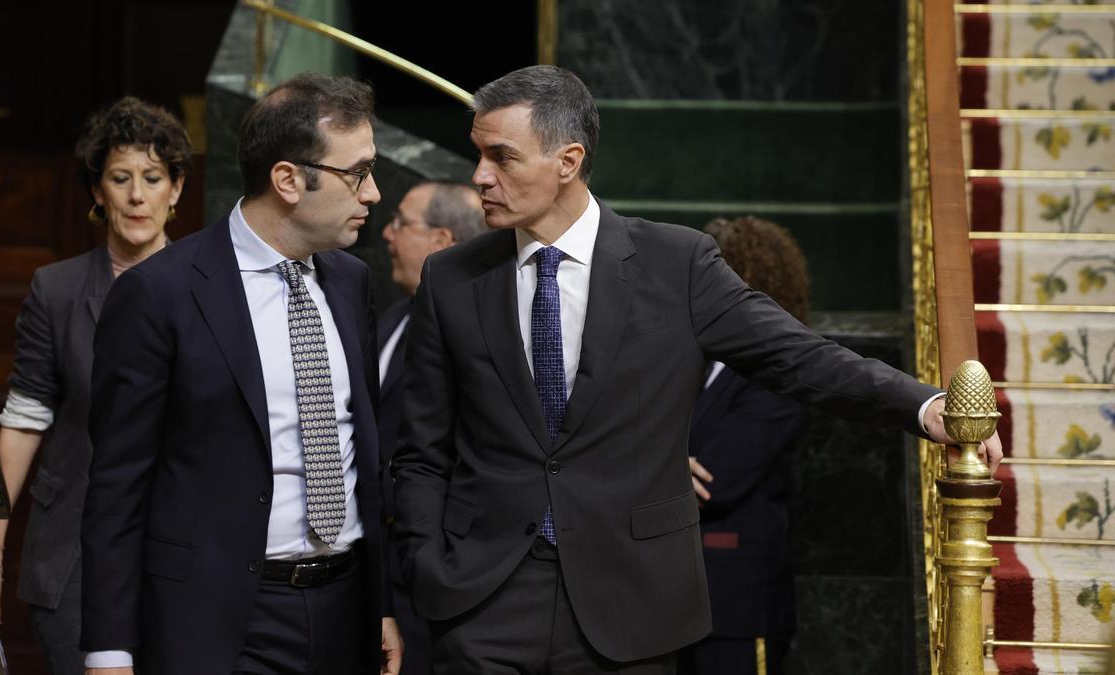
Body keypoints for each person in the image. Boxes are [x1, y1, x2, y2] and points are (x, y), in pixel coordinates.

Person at [390, 65, 1001, 673]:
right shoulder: (452, 278)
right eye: (479, 155)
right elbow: (421, 449)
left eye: (501, 157)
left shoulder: (677, 264)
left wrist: (923, 405)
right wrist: (427, 563)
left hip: (630, 603)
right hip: (482, 601)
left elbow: (798, 355)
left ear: (568, 161)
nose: (479, 178)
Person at [80, 73, 401, 674]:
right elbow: (117, 487)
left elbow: (364, 454)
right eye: (357, 173)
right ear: (287, 180)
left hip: (345, 607)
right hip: (220, 619)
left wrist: (379, 605)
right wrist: (109, 648)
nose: (373, 192)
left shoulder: (352, 282)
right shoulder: (159, 294)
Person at [0, 96, 190, 674]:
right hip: (75, 550)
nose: (136, 195)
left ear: (175, 189)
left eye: (152, 178)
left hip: (179, 546)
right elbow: (25, 422)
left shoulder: (209, 286)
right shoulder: (56, 290)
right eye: (120, 177)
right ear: (98, 191)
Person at [681, 216, 811, 675]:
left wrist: (641, 471)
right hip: (658, 602)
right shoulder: (684, 360)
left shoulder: (777, 374)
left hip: (735, 603)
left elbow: (716, 480)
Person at [378, 181, 486, 674]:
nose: (386, 233)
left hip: (440, 579)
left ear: (441, 241)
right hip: (375, 574)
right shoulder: (389, 317)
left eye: (401, 223)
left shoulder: (484, 329)